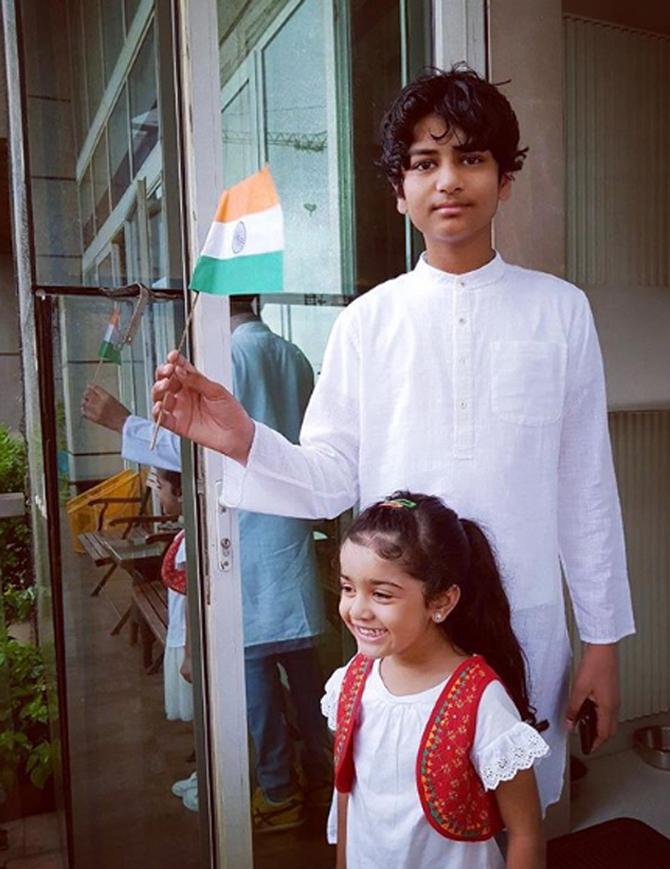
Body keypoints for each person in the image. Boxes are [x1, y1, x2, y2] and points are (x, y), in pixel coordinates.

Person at [150, 67, 635, 810]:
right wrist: (242, 436)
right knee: (408, 820)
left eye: (471, 158)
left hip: (528, 629)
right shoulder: (366, 323)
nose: (448, 179)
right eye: (424, 162)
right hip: (402, 633)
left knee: (521, 824)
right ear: (398, 190)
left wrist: (602, 642)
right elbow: (330, 479)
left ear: (505, 181)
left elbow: (586, 490)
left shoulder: (560, 313)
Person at [83, 295, 331, 832]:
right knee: (310, 684)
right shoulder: (291, 355)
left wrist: (122, 421)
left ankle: (279, 791)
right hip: (287, 541)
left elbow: (196, 449)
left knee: (254, 682)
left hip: (240, 544)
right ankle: (325, 780)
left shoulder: (226, 358)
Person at [323, 492, 548, 868]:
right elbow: (346, 791)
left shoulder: (481, 701)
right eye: (348, 588)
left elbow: (525, 832)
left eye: (380, 593)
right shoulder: (349, 683)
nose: (357, 609)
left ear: (440, 602)